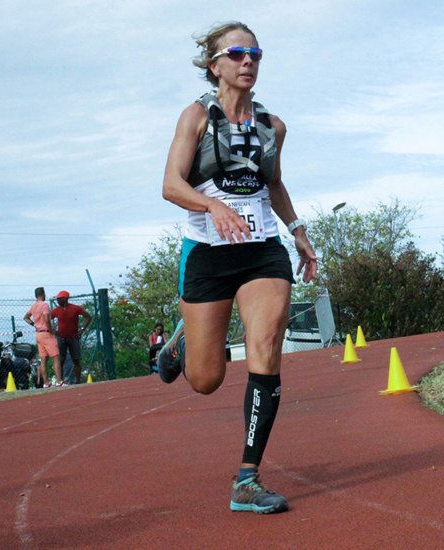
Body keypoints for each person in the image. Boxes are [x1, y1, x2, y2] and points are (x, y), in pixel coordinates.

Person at [157, 21, 317, 515]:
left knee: (265, 346)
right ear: (215, 65)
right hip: (207, 253)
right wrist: (213, 207)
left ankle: (247, 479)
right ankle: (185, 338)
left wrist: (298, 232)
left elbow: (274, 185)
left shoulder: (274, 127)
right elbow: (170, 184)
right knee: (205, 380)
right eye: (237, 54)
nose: (248, 62)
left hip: (261, 250)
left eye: (255, 54)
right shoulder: (196, 118)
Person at [23, 287, 63, 388]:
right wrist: (51, 330)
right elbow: (47, 319)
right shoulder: (44, 305)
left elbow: (26, 317)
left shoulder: (34, 306)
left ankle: (46, 383)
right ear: (43, 293)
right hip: (46, 333)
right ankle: (59, 381)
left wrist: (34, 325)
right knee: (56, 357)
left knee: (43, 359)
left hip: (38, 334)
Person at [50, 290, 92, 384]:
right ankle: (60, 381)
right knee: (61, 360)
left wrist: (82, 329)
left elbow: (88, 317)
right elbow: (47, 320)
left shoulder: (75, 308)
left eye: (59, 299)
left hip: (73, 338)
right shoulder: (56, 310)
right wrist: (53, 330)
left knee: (76, 359)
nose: (57, 300)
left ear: (65, 299)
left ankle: (78, 380)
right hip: (61, 338)